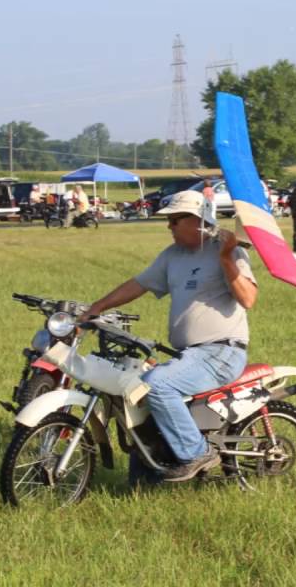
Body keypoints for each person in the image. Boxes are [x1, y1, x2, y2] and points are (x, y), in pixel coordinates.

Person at [78, 190, 257, 482]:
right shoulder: (172, 256)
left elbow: (248, 299)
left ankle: (197, 453)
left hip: (221, 352)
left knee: (157, 386)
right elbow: (138, 285)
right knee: (133, 391)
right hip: (189, 355)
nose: (169, 226)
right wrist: (96, 308)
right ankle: (146, 480)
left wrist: (226, 259)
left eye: (175, 220)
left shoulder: (229, 250)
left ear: (197, 220)